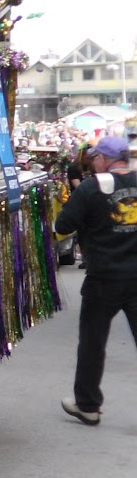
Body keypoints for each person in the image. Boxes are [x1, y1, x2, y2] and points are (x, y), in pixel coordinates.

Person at [55, 134, 137, 426]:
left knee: (92, 342)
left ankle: (88, 405)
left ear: (104, 159)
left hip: (104, 277)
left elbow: (62, 224)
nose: (92, 164)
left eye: (94, 158)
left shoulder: (91, 188)